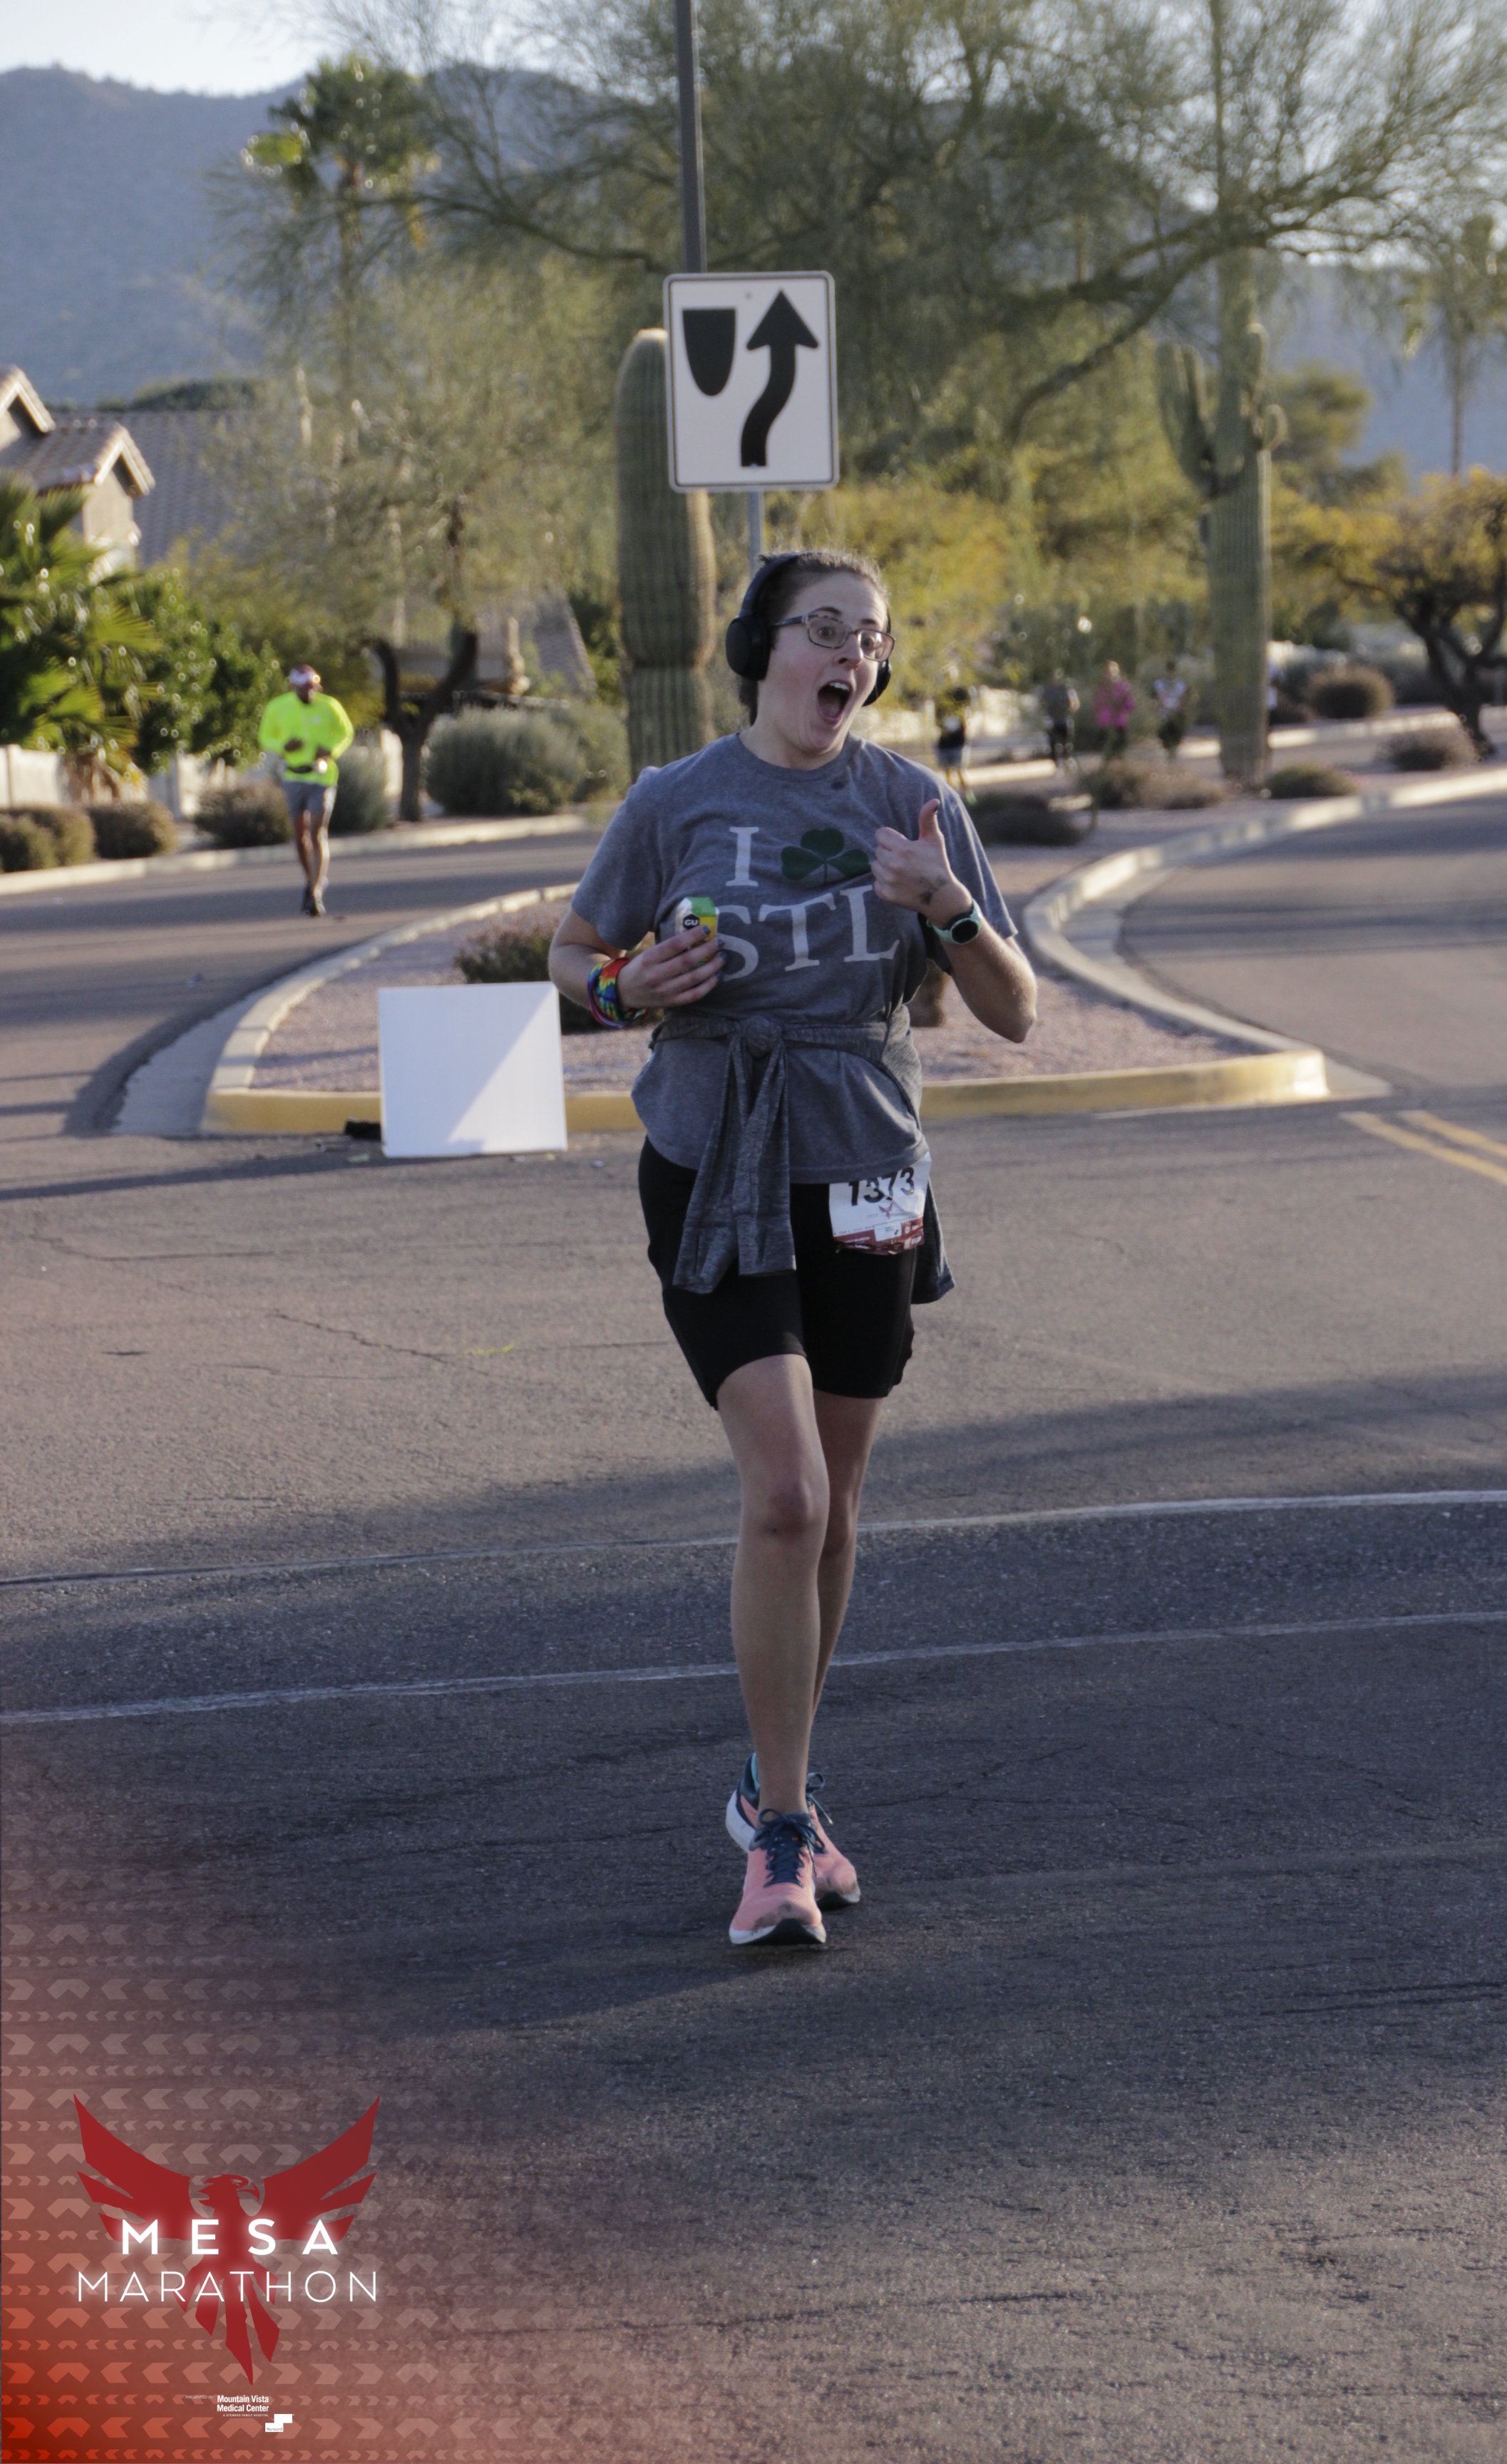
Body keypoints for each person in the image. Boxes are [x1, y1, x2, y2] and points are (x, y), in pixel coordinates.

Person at [549, 548, 1036, 1952]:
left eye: (870, 638)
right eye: (825, 630)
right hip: (714, 1158)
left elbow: (1014, 1007)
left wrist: (945, 907)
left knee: (836, 1501)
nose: (851, 657)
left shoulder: (911, 803)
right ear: (762, 647)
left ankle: (788, 1789)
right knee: (785, 1495)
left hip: (868, 1165)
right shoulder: (676, 800)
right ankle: (774, 1828)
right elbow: (574, 956)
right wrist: (626, 986)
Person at [257, 664, 354, 915]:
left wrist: (330, 750)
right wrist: (283, 746)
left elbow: (346, 732)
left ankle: (316, 892)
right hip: (293, 776)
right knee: (300, 836)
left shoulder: (329, 705)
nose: (309, 693)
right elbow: (265, 737)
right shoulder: (278, 707)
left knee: (317, 832)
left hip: (322, 776)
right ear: (294, 687)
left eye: (312, 688)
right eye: (303, 689)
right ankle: (310, 880)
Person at [1089, 660, 1135, 757]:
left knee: (1120, 754)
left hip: (1120, 725)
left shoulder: (1124, 688)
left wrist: (1122, 701)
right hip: (1105, 726)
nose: (1111, 675)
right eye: (1109, 673)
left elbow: (1130, 706)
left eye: (1114, 672)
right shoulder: (1101, 689)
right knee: (1106, 754)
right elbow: (1096, 707)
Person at [1151, 658, 1190, 756]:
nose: (1171, 673)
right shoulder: (1159, 684)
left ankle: (1173, 753)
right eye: (1169, 671)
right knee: (1164, 737)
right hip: (1163, 715)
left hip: (1176, 715)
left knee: (1176, 736)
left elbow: (1184, 700)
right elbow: (1155, 700)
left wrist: (1182, 709)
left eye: (1172, 671)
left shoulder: (1181, 685)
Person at [934, 696, 969, 796]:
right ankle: (951, 795)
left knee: (959, 770)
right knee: (947, 772)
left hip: (957, 745)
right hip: (944, 745)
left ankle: (967, 794)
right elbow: (938, 724)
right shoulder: (941, 712)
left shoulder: (960, 713)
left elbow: (964, 727)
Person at [1041, 673, 1078, 766]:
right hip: (1052, 720)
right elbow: (1041, 704)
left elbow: (1074, 704)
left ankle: (1067, 761)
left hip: (1065, 720)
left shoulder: (1066, 689)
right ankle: (1057, 763)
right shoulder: (1047, 690)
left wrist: (1069, 709)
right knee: (1053, 743)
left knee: (1067, 744)